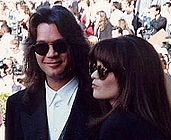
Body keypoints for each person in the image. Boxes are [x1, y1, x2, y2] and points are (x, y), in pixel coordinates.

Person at [5, 5, 101, 140]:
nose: (52, 54)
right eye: (41, 47)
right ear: (33, 51)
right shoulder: (17, 105)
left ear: (74, 46)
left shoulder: (101, 102)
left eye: (60, 45)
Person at [88, 35, 171, 140]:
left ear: (128, 76)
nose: (93, 75)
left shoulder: (117, 127)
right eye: (93, 67)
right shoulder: (164, 125)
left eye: (102, 69)